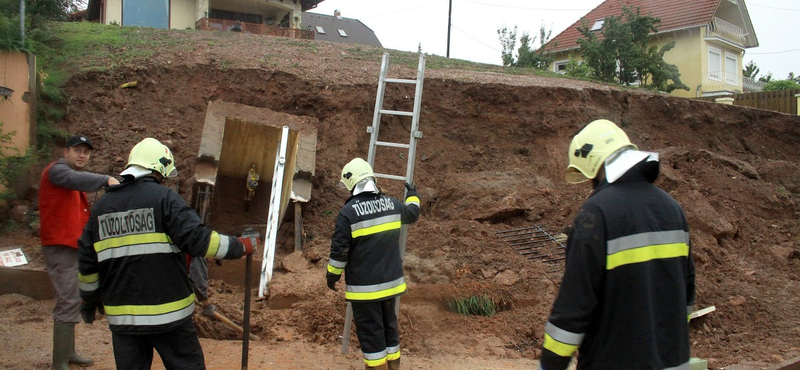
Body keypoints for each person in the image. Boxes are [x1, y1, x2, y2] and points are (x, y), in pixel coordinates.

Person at [77, 138, 260, 369]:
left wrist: (89, 299)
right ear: (160, 169)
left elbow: (87, 261)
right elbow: (200, 241)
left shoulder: (103, 207)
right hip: (170, 317)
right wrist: (240, 246)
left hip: (123, 320)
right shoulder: (164, 200)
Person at [539, 119, 696, 370]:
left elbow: (575, 305)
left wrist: (550, 365)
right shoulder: (673, 209)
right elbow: (686, 297)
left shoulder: (596, 214)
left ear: (592, 162)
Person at [326, 158, 421, 370]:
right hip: (391, 285)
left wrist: (332, 276)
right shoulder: (392, 204)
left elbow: (339, 252)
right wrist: (413, 195)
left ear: (351, 184)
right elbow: (413, 214)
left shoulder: (348, 214)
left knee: (371, 335)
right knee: (389, 329)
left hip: (365, 289)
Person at [38, 134, 119, 370]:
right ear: (66, 152)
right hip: (60, 247)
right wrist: (108, 180)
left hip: (72, 247)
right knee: (68, 298)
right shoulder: (57, 172)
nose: (82, 155)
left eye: (86, 151)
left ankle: (69, 353)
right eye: (77, 150)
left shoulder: (72, 183)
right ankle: (59, 362)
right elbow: (77, 178)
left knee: (73, 297)